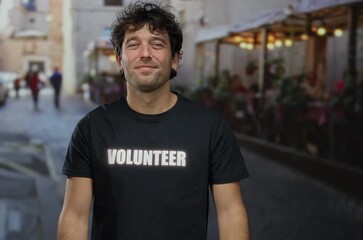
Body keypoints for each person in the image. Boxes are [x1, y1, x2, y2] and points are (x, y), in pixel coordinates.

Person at [57, 1, 249, 240]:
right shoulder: (91, 129)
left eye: (157, 44)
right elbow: (75, 216)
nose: (145, 54)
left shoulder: (209, 127)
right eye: (134, 44)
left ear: (175, 60)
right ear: (119, 60)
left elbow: (231, 211)